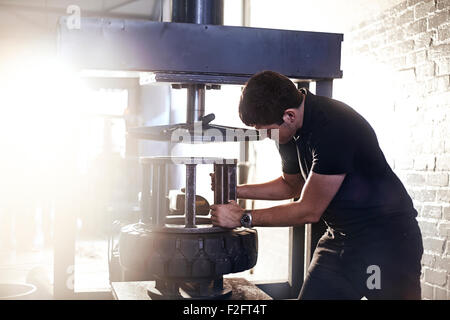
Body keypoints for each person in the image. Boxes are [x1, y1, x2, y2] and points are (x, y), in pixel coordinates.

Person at [210, 70, 423, 300]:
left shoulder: (334, 127)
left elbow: (309, 210)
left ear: (289, 116)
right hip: (340, 241)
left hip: (384, 245)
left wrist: (243, 217)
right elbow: (291, 185)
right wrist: (235, 189)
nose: (266, 137)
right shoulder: (289, 132)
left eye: (266, 130)